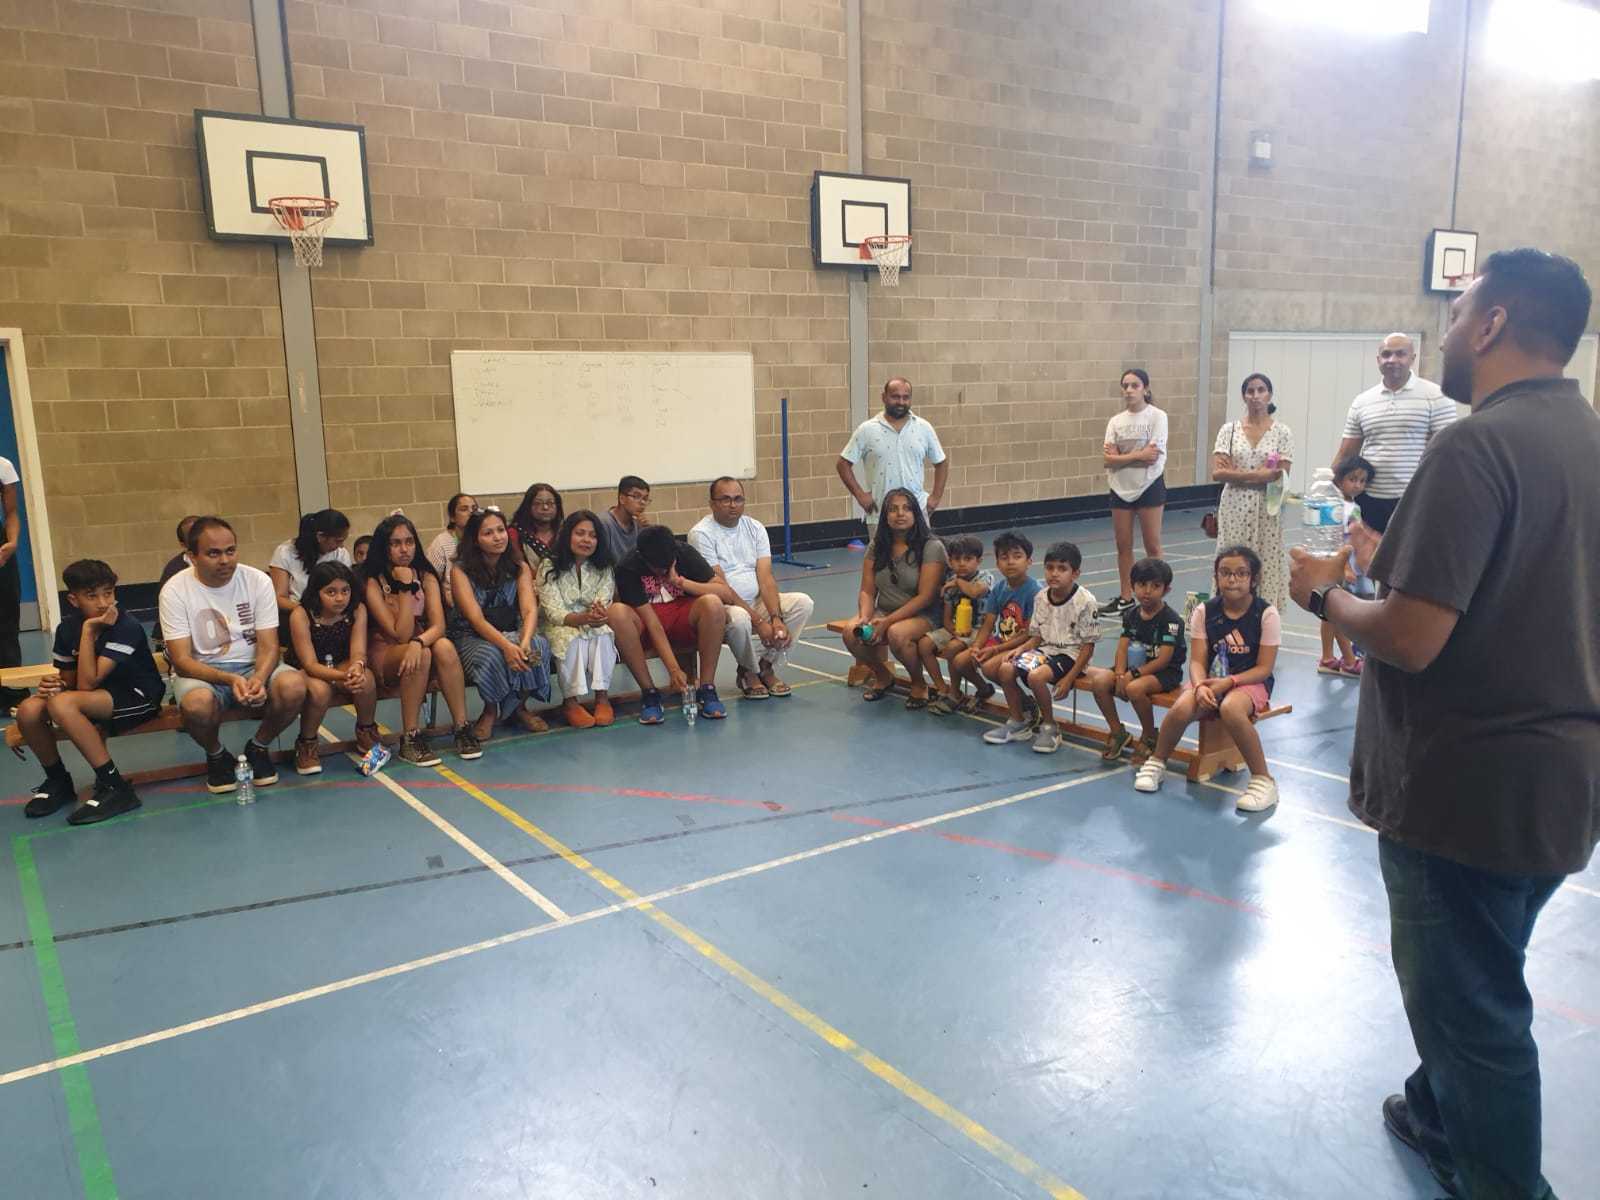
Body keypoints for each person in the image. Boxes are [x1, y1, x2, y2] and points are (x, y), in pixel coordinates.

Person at [1289, 248, 1599, 1200]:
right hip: (1560, 789)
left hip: (1464, 794)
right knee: (1483, 965)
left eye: (1460, 311)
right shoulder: (1582, 437)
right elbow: (1515, 585)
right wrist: (1390, 554)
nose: (1450, 329)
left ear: (1495, 323)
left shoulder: (1474, 446)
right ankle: (1435, 1112)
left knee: (1472, 1010)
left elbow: (1412, 637)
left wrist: (1326, 596)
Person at [159, 516, 308, 795]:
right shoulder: (174, 590)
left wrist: (259, 678)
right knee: (197, 705)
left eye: (230, 550)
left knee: (294, 685)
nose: (225, 560)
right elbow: (182, 660)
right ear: (192, 556)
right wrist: (229, 679)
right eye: (213, 553)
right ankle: (216, 755)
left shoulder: (257, 581)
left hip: (252, 666)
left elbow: (269, 646)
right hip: (202, 672)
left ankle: (259, 746)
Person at [1134, 545, 1280, 812]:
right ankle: (1157, 762)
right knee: (1182, 706)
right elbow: (1197, 661)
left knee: (1231, 708)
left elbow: (1264, 668)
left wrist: (1230, 682)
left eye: (1241, 573)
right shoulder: (1204, 611)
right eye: (1225, 573)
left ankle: (1263, 780)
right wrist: (1200, 686)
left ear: (1254, 579)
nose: (1232, 579)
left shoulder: (1266, 614)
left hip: (1249, 681)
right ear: (1216, 577)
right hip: (1210, 680)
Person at [17, 559, 163, 824]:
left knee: (63, 704)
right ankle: (58, 781)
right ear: (73, 600)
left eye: (108, 593)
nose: (103, 603)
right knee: (29, 710)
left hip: (138, 697)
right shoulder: (67, 629)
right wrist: (56, 685)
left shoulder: (125, 626)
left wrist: (88, 631)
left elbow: (87, 684)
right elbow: (71, 681)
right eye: (92, 596)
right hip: (96, 698)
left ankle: (116, 787)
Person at [363, 513, 477, 766]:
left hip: (418, 642)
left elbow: (438, 626)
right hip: (385, 650)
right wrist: (404, 587)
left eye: (409, 542)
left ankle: (462, 728)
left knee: (444, 646)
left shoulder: (425, 575)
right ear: (384, 547)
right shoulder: (373, 581)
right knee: (422, 653)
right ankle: (410, 738)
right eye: (395, 543)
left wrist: (419, 642)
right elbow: (400, 635)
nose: (404, 549)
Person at [688, 477, 815, 700]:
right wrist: (759, 621)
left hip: (756, 601)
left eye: (738, 499)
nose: (732, 505)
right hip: (724, 605)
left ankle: (765, 665)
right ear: (712, 504)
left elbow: (765, 577)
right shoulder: (701, 534)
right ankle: (749, 672)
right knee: (740, 619)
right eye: (725, 499)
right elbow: (722, 587)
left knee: (803, 603)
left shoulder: (755, 528)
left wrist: (775, 618)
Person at [1330, 332, 1455, 534]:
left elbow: (1446, 454)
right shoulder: (1362, 402)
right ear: (1378, 360)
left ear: (1412, 358)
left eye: (1400, 354)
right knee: (1368, 553)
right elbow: (1346, 453)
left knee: (1410, 554)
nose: (1392, 360)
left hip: (1414, 500)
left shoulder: (1436, 396)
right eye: (1386, 354)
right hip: (1368, 500)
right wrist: (1327, 489)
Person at [981, 541, 1097, 753]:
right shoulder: (1042, 597)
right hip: (1046, 650)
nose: (1054, 573)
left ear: (1075, 573)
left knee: (1036, 677)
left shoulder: (1086, 601)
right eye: (1050, 568)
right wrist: (1020, 650)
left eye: (1062, 569)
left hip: (1071, 655)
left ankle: (1050, 726)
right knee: (1005, 668)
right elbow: (1037, 636)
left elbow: (1088, 647)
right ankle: (1018, 722)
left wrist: (1069, 678)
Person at [450, 507, 552, 740]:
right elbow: (475, 619)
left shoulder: (519, 566)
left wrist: (524, 641)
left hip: (511, 630)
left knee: (537, 647)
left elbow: (529, 609)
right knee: (492, 655)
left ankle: (519, 707)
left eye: (501, 530)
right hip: (471, 635)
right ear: (475, 540)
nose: (498, 537)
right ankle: (490, 711)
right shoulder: (460, 571)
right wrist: (507, 647)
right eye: (488, 533)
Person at [839, 488, 948, 707]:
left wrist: (887, 622)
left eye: (907, 509)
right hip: (885, 611)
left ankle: (919, 684)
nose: (900, 514)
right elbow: (867, 591)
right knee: (851, 632)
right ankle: (883, 675)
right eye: (893, 509)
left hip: (924, 615)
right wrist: (865, 617)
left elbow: (926, 597)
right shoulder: (877, 546)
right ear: (885, 516)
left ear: (916, 514)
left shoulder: (931, 546)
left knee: (897, 634)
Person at [612, 524, 731, 724]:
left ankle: (707, 688)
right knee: (617, 613)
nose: (663, 571)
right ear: (642, 557)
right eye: (657, 568)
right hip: (647, 620)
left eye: (667, 565)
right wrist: (674, 669)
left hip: (681, 614)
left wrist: (680, 582)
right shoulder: (628, 566)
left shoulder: (684, 552)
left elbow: (725, 593)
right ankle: (649, 693)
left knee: (713, 604)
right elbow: (653, 623)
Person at [1085, 557, 1186, 762]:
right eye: (1141, 585)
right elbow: (1122, 648)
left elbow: (1163, 660)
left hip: (1164, 672)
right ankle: (1117, 732)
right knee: (1100, 681)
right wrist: (1120, 674)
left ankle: (1149, 735)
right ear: (1132, 586)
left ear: (1166, 590)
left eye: (1155, 586)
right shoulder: (1131, 614)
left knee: (1135, 689)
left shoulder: (1171, 621)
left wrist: (1133, 675)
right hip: (1133, 668)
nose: (1147, 591)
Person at [284, 560, 380, 774]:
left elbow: (358, 651)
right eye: (331, 592)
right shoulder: (301, 614)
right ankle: (307, 743)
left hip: (341, 661)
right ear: (316, 592)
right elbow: (309, 664)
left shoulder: (357, 609)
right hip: (307, 667)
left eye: (345, 590)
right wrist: (342, 676)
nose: (340, 598)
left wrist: (356, 668)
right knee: (320, 691)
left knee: (366, 679)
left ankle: (366, 732)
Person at [1212, 372, 1293, 612]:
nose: (1255, 396)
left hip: (1267, 506)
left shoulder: (1282, 432)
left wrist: (1236, 473)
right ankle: (1226, 609)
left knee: (1265, 558)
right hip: (1234, 505)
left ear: (1269, 395)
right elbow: (1218, 473)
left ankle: (1264, 613)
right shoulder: (1229, 431)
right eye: (1250, 391)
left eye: (1261, 390)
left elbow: (1281, 473)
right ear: (1244, 396)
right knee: (1231, 556)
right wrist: (1258, 475)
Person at [538, 510, 619, 729]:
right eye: (580, 533)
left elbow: (604, 598)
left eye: (593, 535)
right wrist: (582, 618)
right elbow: (553, 612)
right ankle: (571, 702)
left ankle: (602, 698)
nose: (586, 540)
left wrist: (598, 614)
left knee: (603, 634)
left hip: (592, 621)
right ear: (568, 535)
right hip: (559, 623)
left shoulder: (603, 566)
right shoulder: (549, 565)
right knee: (571, 638)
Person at [944, 531, 1040, 715]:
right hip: (1002, 641)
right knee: (960, 661)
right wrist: (976, 647)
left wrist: (995, 650)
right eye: (1004, 557)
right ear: (997, 563)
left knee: (990, 668)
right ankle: (989, 691)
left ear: (1029, 561)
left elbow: (1029, 634)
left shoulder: (1034, 592)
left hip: (1027, 645)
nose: (1010, 562)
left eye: (1017, 556)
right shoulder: (999, 589)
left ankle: (1026, 704)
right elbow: (988, 624)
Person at [1099, 368, 1168, 617]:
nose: (1129, 390)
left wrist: (1122, 457)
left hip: (1149, 485)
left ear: (1145, 388)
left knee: (1152, 545)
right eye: (1125, 385)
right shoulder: (1115, 422)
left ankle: (1158, 597)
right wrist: (1138, 455)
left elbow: (1153, 457)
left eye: (1134, 385)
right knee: (1123, 545)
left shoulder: (1157, 417)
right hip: (1120, 487)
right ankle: (1126, 597)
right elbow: (1108, 459)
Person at [836, 377, 948, 517]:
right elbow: (843, 464)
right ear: (884, 397)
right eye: (895, 397)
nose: (901, 402)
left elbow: (941, 463)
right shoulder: (866, 430)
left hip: (917, 512)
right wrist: (860, 495)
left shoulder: (924, 428)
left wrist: (935, 498)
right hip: (880, 514)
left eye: (905, 397)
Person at [1317, 456, 1377, 677]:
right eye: (1353, 479)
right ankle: (1349, 660)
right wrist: (1344, 567)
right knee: (1337, 613)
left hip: (1351, 561)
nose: (1358, 485)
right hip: (1340, 561)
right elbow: (1335, 538)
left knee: (1329, 612)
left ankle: (1328, 658)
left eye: (1362, 481)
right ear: (1339, 480)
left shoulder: (1354, 505)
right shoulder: (1337, 506)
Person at [923, 534, 996, 714]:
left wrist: (957, 581)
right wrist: (954, 631)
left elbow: (975, 592)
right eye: (956, 559)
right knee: (924, 645)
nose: (962, 564)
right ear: (950, 561)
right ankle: (943, 688)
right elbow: (947, 618)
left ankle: (956, 694)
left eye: (968, 559)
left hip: (980, 630)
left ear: (979, 561)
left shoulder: (985, 577)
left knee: (952, 649)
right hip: (959, 629)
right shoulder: (950, 585)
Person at [268, 508, 353, 612]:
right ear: (320, 537)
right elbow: (280, 599)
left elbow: (348, 589)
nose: (341, 546)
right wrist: (310, 612)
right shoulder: (285, 552)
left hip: (334, 612)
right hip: (298, 611)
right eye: (338, 541)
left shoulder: (341, 553)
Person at [0, 450, 24, 709]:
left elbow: (12, 513)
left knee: (6, 619)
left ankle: (11, 691)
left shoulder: (3, 466)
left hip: (1, 550)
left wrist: (13, 542)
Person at [425, 492, 477, 605]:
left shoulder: (482, 539)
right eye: (464, 509)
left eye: (474, 508)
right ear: (452, 517)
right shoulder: (441, 542)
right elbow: (431, 581)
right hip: (452, 605)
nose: (471, 512)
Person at [598, 476, 651, 564]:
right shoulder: (604, 523)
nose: (642, 502)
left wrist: (646, 532)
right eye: (636, 496)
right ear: (622, 499)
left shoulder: (639, 524)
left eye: (645, 498)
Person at [510, 482, 563, 568]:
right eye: (538, 503)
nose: (545, 507)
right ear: (528, 506)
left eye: (550, 503)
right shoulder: (516, 533)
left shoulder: (565, 531)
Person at [159, 515, 199, 587]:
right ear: (183, 545)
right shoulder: (173, 570)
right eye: (193, 538)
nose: (201, 540)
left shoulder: (220, 560)